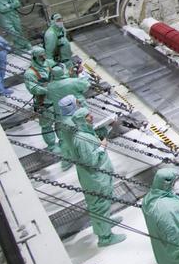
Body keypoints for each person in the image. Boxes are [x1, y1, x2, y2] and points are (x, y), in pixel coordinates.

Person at [66, 106, 125, 247]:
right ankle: (105, 237)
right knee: (100, 206)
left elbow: (95, 135)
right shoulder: (81, 139)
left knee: (103, 204)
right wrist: (102, 147)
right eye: (88, 116)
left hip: (99, 176)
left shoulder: (85, 132)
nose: (91, 117)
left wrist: (108, 127)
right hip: (95, 179)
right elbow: (90, 160)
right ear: (81, 120)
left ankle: (106, 223)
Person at [22, 46, 59, 156]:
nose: (43, 57)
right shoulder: (30, 73)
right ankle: (52, 145)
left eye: (44, 54)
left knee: (61, 122)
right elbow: (32, 88)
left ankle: (63, 141)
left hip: (57, 99)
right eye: (41, 55)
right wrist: (47, 89)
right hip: (45, 102)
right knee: (47, 125)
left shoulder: (49, 63)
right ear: (35, 57)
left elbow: (61, 71)